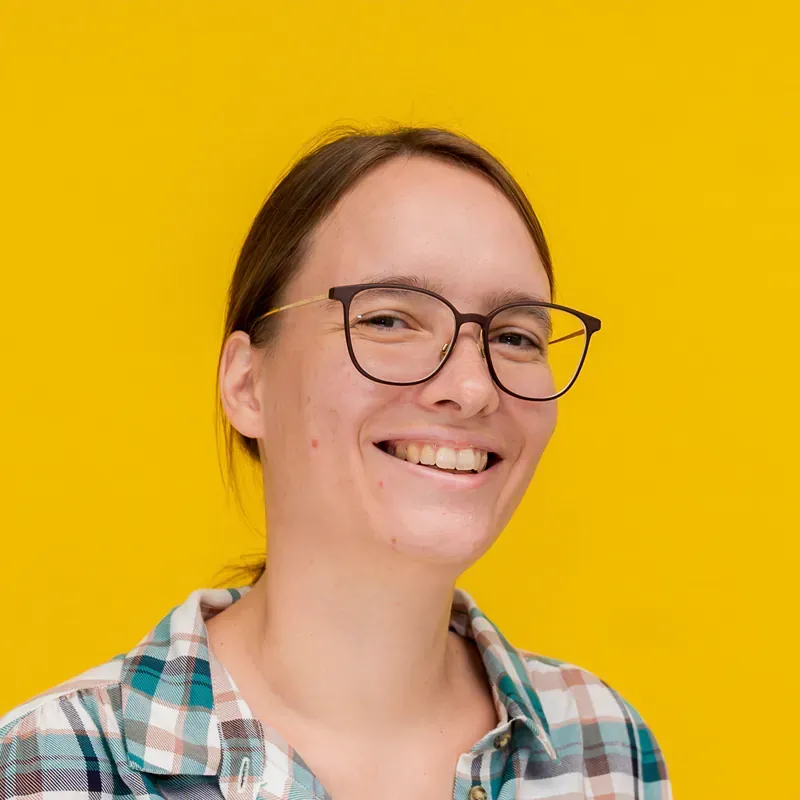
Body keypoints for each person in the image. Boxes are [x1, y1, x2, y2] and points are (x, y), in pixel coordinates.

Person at [0, 125, 671, 800]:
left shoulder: (605, 748)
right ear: (246, 384)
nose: (472, 388)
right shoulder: (54, 765)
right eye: (388, 320)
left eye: (516, 335)